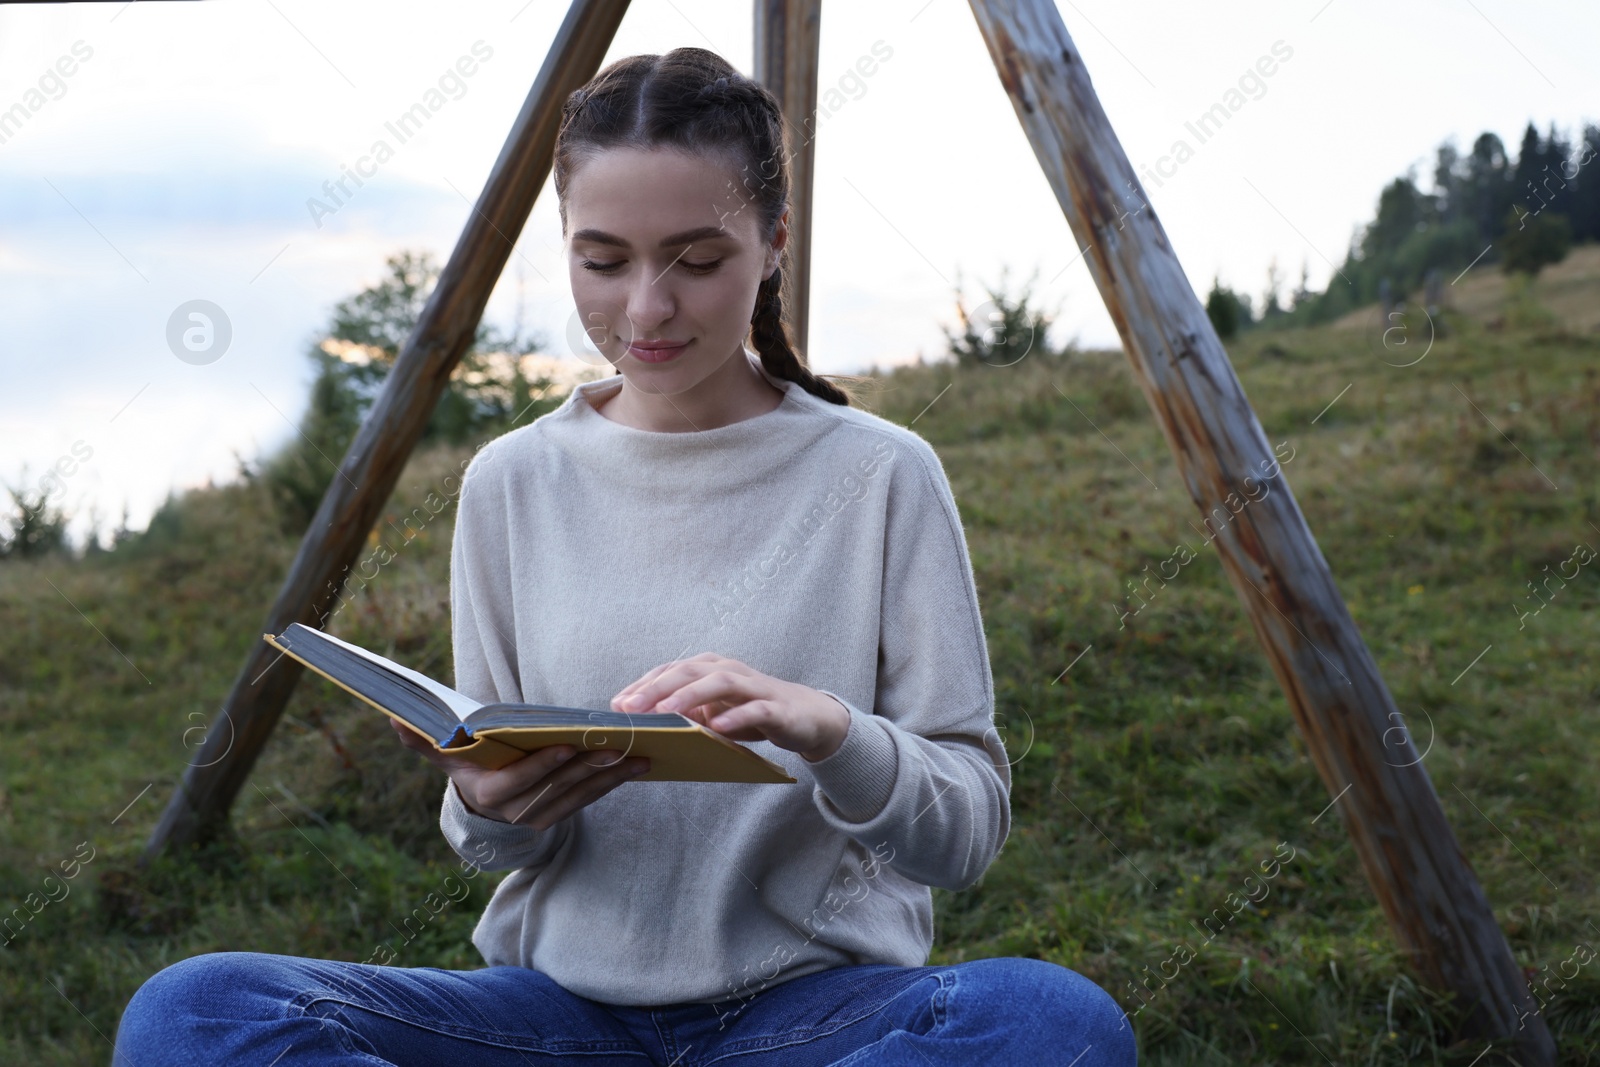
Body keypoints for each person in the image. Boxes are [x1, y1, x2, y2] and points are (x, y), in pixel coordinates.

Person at [112, 47, 1135, 1066]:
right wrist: (483, 800)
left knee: (1051, 1021)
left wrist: (831, 731)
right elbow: (495, 836)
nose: (645, 309)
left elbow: (964, 832)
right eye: (602, 261)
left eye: (695, 261)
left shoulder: (882, 475)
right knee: (197, 1010)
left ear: (773, 243)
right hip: (553, 1017)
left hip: (812, 1014)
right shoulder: (510, 480)